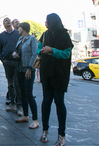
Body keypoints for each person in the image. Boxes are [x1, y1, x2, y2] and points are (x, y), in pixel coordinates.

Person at [38, 13, 74, 146]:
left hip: (60, 74)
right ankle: (45, 130)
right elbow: (37, 49)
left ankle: (61, 135)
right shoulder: (45, 35)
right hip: (46, 72)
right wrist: (42, 50)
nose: (45, 22)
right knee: (46, 101)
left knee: (59, 102)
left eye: (47, 20)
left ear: (52, 22)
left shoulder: (65, 35)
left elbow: (66, 54)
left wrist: (52, 50)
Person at [13, 22, 39, 129]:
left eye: (19, 28)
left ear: (23, 29)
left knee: (29, 94)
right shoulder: (20, 40)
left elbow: (34, 54)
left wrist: (30, 68)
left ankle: (35, 119)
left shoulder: (32, 39)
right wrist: (14, 54)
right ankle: (25, 115)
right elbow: (16, 50)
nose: (18, 29)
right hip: (19, 68)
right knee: (22, 92)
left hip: (28, 69)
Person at [0, 17, 22, 115]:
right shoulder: (2, 35)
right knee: (10, 83)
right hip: (7, 61)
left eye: (8, 20)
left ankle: (19, 105)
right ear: (3, 24)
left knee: (17, 83)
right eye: (5, 20)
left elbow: (21, 45)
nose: (8, 21)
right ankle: (12, 103)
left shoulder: (17, 33)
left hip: (16, 61)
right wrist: (2, 59)